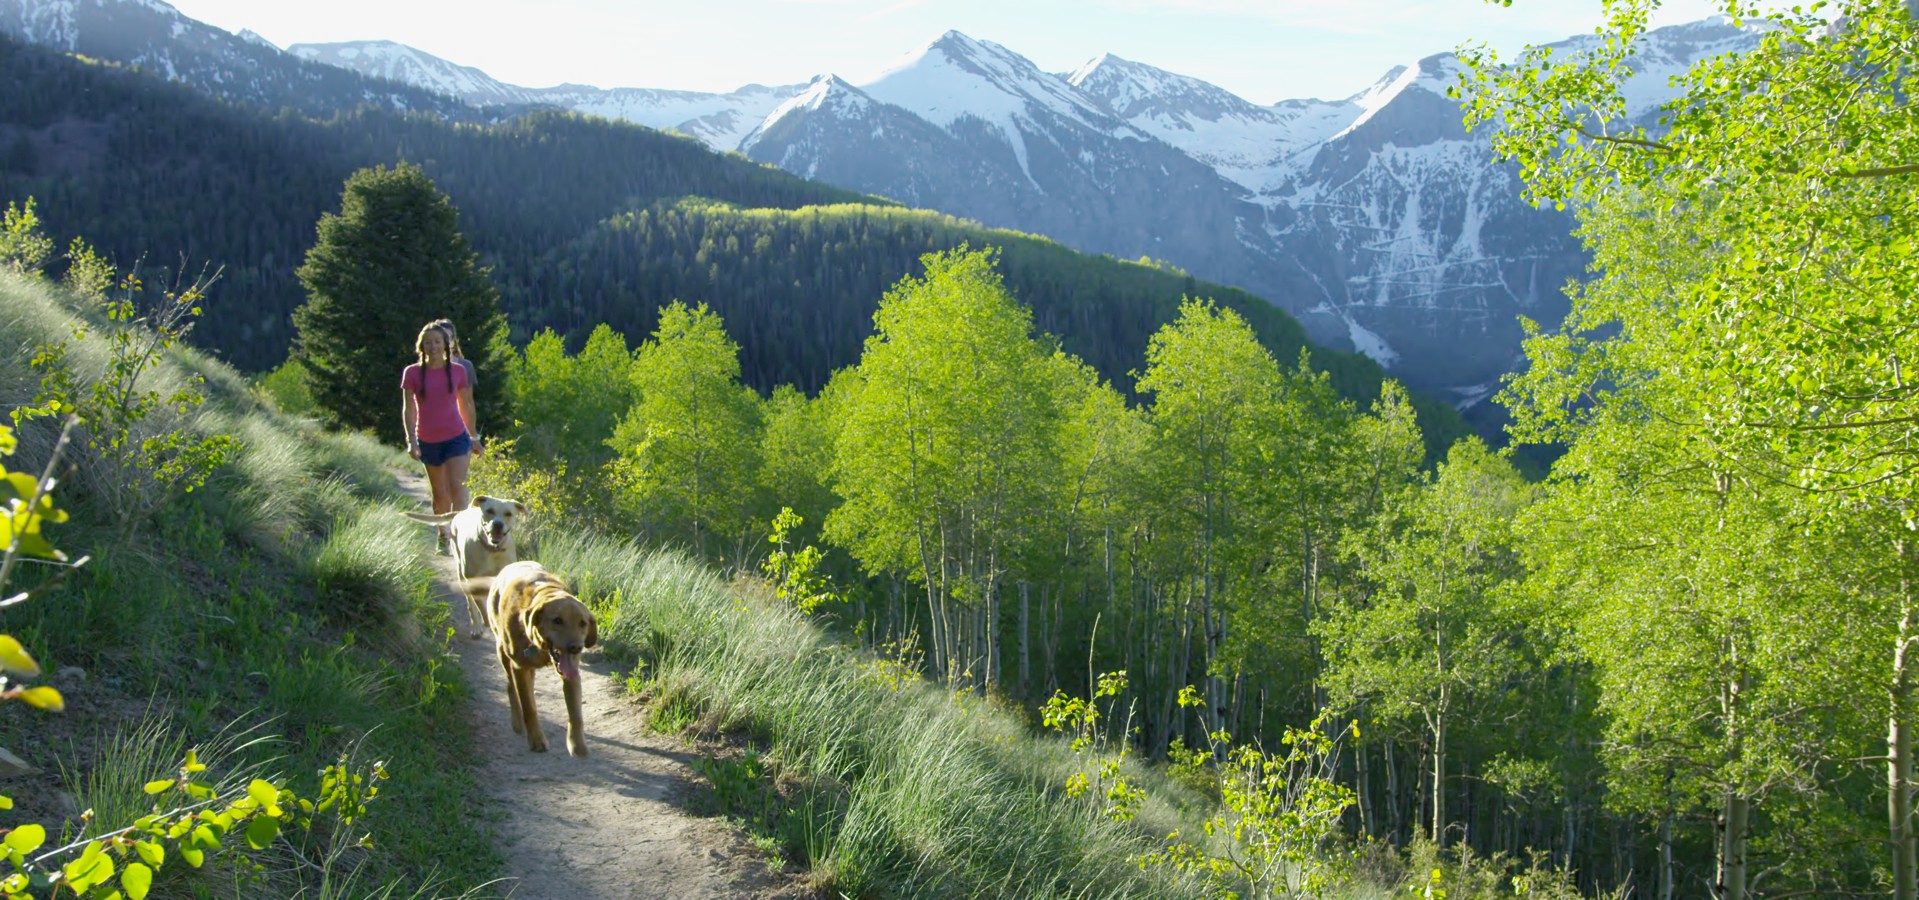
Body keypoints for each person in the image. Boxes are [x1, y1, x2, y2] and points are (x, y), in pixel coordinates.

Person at [402, 323, 482, 554]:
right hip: (428, 440)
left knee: (458, 487)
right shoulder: (412, 373)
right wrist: (412, 441)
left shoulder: (457, 371)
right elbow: (409, 410)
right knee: (440, 493)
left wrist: (474, 437)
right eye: (428, 342)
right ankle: (442, 535)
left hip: (456, 438)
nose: (433, 346)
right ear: (422, 346)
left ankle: (459, 537)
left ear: (445, 345)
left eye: (437, 342)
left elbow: (466, 404)